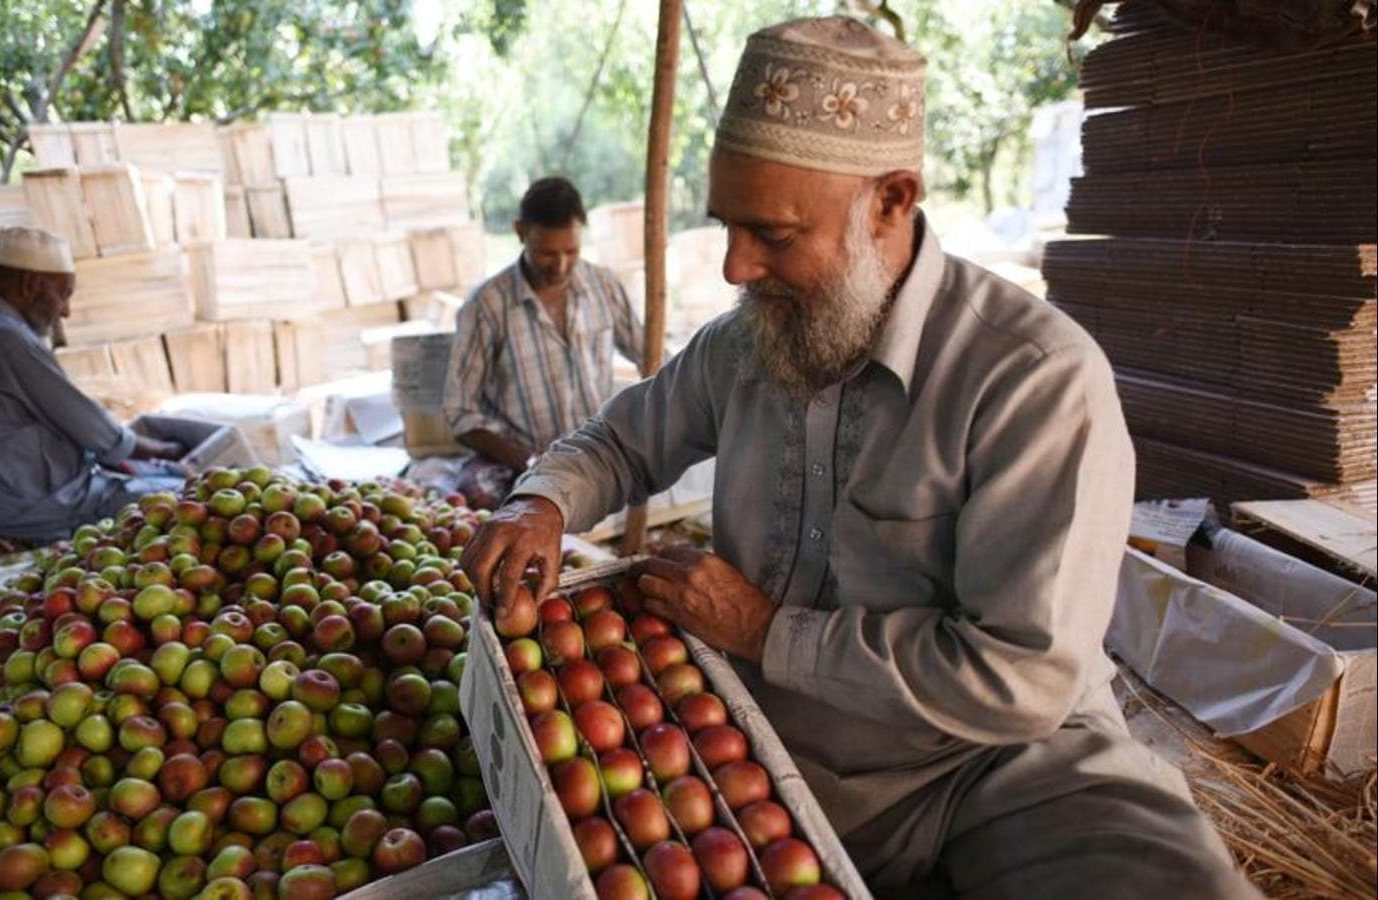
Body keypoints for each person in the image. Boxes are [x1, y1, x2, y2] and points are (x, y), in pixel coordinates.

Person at [462, 16, 1257, 899]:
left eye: (772, 233)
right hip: (780, 747)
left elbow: (1019, 677)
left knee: (1177, 882)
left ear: (892, 201)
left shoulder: (1034, 380)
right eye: (727, 224)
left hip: (996, 764)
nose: (733, 266)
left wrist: (768, 632)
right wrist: (541, 502)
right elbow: (617, 439)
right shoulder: (746, 345)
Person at [0, 226, 187, 544]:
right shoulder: (3, 339)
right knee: (184, 491)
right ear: (31, 284)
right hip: (31, 509)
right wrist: (165, 451)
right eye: (64, 294)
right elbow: (91, 429)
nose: (66, 311)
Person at [441, 176, 645, 508]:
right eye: (547, 253)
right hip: (521, 460)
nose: (561, 266)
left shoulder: (604, 286)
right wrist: (531, 461)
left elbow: (649, 355)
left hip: (596, 453)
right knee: (477, 496)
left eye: (571, 251)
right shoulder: (487, 306)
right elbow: (459, 413)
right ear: (520, 232)